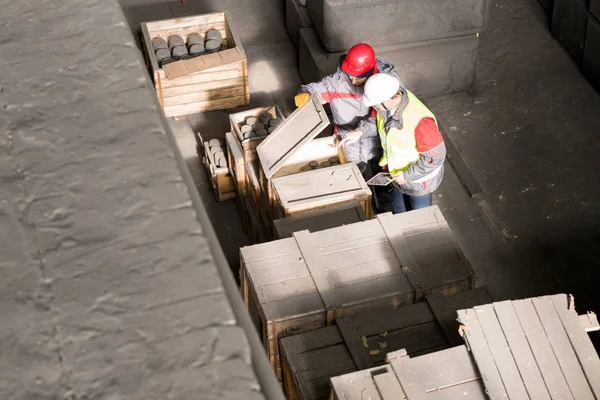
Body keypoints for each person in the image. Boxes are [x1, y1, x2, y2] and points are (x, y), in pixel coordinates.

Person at [340, 73, 446, 214]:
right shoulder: (387, 105)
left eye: (375, 103)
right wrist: (360, 131)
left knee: (420, 216)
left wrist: (407, 175)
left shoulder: (421, 122)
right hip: (395, 174)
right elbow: (376, 120)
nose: (374, 107)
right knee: (399, 211)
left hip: (419, 182)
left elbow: (434, 158)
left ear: (388, 99)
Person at [294, 43, 401, 176]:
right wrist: (306, 93)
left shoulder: (388, 83)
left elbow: (388, 117)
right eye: (350, 74)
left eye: (357, 77)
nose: (352, 80)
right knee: (355, 177)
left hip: (379, 144)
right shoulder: (338, 82)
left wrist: (361, 131)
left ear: (370, 72)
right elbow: (315, 89)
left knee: (382, 177)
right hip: (349, 145)